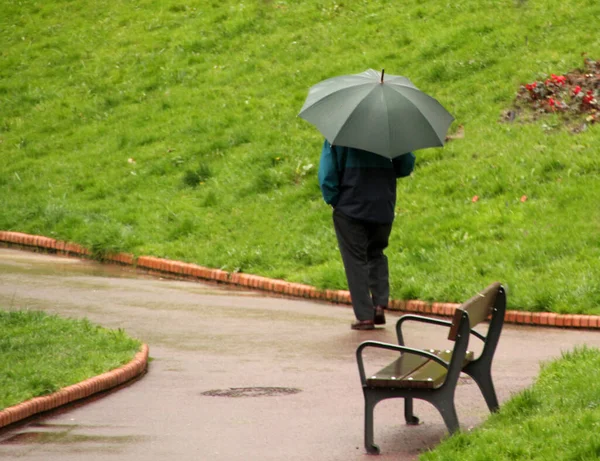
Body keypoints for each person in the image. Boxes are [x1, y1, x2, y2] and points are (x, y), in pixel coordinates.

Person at [318, 139, 415, 330]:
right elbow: (405, 166)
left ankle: (364, 316)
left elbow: (327, 174)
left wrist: (334, 200)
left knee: (355, 260)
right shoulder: (390, 131)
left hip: (350, 206)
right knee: (376, 252)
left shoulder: (339, 134)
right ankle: (379, 304)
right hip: (383, 205)